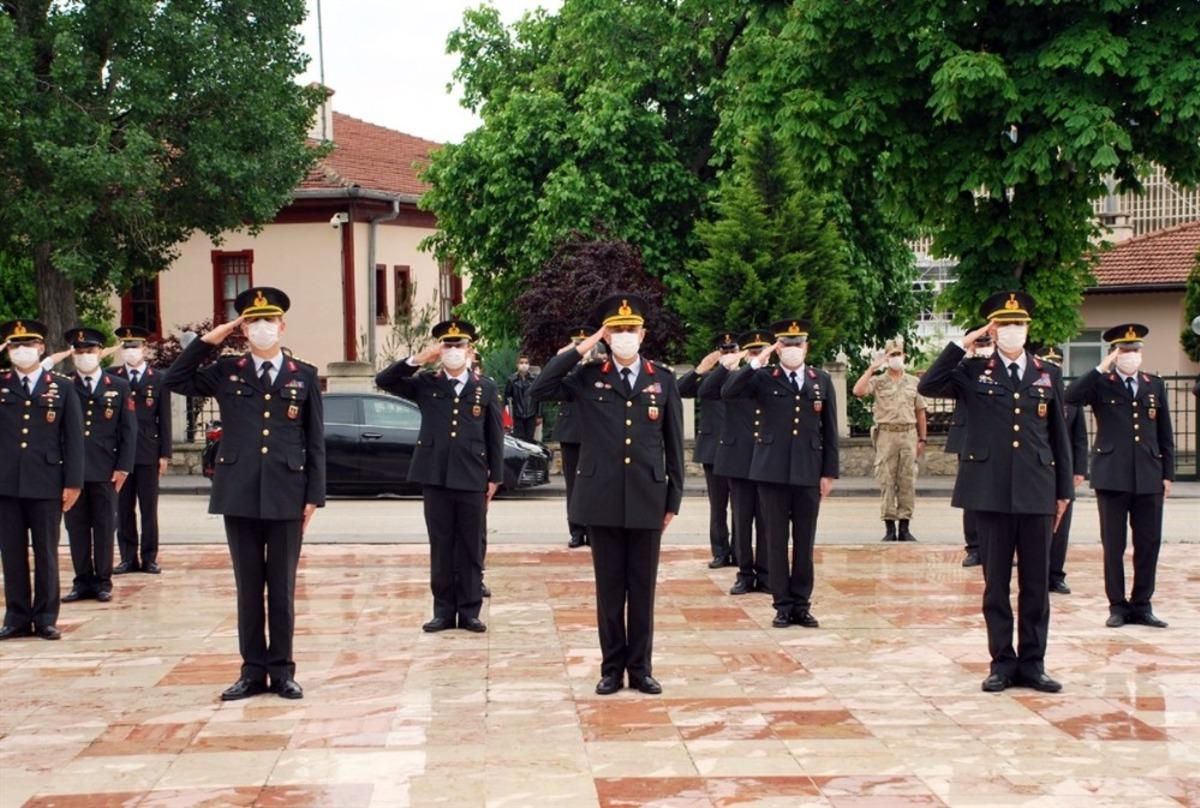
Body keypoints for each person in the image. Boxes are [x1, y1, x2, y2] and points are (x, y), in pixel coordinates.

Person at [164, 287, 325, 700]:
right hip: (238, 492)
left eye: (268, 321)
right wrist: (209, 340)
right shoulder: (227, 370)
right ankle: (252, 671)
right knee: (249, 587)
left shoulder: (302, 375)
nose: (262, 328)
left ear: (282, 326)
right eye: (253, 322)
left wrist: (314, 495)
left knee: (283, 588)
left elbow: (315, 440)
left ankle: (283, 670)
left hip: (287, 493)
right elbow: (175, 379)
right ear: (243, 329)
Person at [530, 294, 684, 696]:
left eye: (631, 329)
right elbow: (541, 387)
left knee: (643, 588)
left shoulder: (661, 379)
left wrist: (673, 500)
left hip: (648, 497)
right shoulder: (587, 376)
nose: (625, 336)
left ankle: (642, 668)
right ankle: (612, 668)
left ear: (643, 334)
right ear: (606, 334)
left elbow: (672, 444)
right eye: (616, 330)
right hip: (600, 498)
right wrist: (586, 344)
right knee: (610, 589)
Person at [919, 291, 1072, 693]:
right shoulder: (974, 371)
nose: (1012, 331)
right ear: (992, 328)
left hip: (1037, 490)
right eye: (1003, 324)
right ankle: (1002, 662)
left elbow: (1059, 435)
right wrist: (964, 343)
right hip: (989, 492)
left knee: (1037, 585)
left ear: (1028, 328)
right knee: (996, 584)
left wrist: (1063, 492)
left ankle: (1033, 664)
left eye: (1018, 324)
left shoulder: (1047, 373)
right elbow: (930, 384)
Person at [375, 318, 504, 634]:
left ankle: (470, 611)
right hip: (435, 476)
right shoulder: (427, 383)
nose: (453, 350)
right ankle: (444, 611)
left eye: (458, 345)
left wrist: (495, 476)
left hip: (473, 476)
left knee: (471, 546)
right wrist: (419, 358)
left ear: (469, 349)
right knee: (442, 545)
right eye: (447, 345)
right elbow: (384, 380)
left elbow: (494, 435)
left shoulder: (484, 388)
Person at [721, 319, 839, 630]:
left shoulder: (821, 380)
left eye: (797, 344)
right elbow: (729, 391)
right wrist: (756, 361)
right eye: (786, 344)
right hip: (771, 471)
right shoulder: (764, 377)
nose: (792, 349)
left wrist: (829, 472)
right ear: (778, 348)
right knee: (775, 541)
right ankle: (782, 605)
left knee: (804, 542)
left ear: (806, 346)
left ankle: (802, 604)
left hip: (808, 472)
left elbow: (830, 430)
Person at [1064, 323, 1174, 629]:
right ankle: (1117, 605)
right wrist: (1101, 367)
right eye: (1124, 350)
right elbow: (1071, 396)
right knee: (1114, 544)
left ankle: (1142, 604)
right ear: (1115, 352)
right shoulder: (1102, 383)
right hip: (1112, 476)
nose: (1131, 355)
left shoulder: (1154, 385)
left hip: (1150, 476)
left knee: (1149, 542)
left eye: (1135, 350)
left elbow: (1165, 433)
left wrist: (1168, 473)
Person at [0, 320, 84, 641]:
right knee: (12, 551)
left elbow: (73, 438)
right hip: (6, 482)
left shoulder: (61, 386)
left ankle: (46, 616)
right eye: (14, 345)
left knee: (46, 551)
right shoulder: (2, 383)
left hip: (47, 481)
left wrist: (73, 482)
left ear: (40, 348)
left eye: (27, 345)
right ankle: (17, 616)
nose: (21, 351)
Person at [60, 327, 136, 604]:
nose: (84, 356)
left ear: (100, 354)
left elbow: (128, 430)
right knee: (76, 528)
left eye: (89, 351)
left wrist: (124, 466)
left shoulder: (118, 386)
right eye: (79, 352)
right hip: (73, 470)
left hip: (106, 468)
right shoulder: (65, 385)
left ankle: (103, 581)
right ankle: (82, 581)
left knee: (104, 527)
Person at [700, 329, 770, 595]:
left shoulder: (774, 378)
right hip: (738, 458)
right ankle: (745, 573)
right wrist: (728, 364)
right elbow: (706, 391)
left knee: (765, 520)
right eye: (752, 351)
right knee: (741, 518)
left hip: (765, 457)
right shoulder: (733, 379)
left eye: (759, 351)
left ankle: (765, 574)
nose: (756, 356)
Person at [852, 336, 928, 542]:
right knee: (886, 479)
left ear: (904, 355)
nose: (896, 358)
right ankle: (889, 528)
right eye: (891, 355)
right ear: (886, 358)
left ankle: (905, 527)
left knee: (907, 480)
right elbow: (858, 391)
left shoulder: (914, 382)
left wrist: (923, 439)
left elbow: (920, 411)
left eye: (898, 354)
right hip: (886, 434)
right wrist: (872, 368)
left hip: (909, 434)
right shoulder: (878, 381)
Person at [110, 325, 172, 575]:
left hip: (148, 450)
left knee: (149, 509)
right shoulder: (111, 376)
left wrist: (165, 454)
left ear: (145, 349)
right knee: (123, 509)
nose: (130, 351)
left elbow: (164, 418)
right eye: (126, 347)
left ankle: (149, 557)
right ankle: (127, 557)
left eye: (134, 346)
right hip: (119, 453)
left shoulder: (158, 378)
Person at [678, 336, 734, 568]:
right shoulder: (708, 379)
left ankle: (740, 553)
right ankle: (720, 551)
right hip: (713, 450)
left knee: (742, 507)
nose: (728, 353)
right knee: (718, 506)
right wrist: (701, 368)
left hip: (739, 449)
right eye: (724, 350)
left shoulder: (748, 376)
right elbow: (679, 389)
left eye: (732, 349)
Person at [1036, 347, 1088, 595]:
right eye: (1047, 362)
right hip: (1037, 467)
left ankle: (1055, 575)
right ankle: (1037, 574)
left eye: (1056, 363)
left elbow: (1079, 438)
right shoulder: (1031, 394)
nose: (1051, 367)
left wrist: (1080, 469)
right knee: (1035, 527)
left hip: (1063, 468)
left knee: (1061, 526)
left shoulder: (1070, 398)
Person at [539, 325, 595, 549]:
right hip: (571, 432)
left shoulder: (596, 366)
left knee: (593, 483)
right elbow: (548, 380)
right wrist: (566, 355)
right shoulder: (567, 366)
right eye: (577, 343)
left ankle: (592, 529)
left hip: (593, 432)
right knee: (573, 484)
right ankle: (576, 530)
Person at [947, 329, 993, 568]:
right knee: (972, 494)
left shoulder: (1001, 366)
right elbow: (937, 378)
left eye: (987, 340)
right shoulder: (964, 368)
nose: (983, 344)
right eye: (979, 341)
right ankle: (974, 548)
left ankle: (997, 546)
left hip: (997, 438)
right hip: (969, 438)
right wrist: (965, 349)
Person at [504, 354, 541, 443]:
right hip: (517, 415)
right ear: (517, 364)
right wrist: (508, 417)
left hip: (531, 414)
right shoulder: (512, 380)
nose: (524, 365)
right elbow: (507, 398)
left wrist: (539, 415)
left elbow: (539, 397)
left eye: (526, 363)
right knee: (519, 440)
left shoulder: (534, 379)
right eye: (521, 363)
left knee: (530, 440)